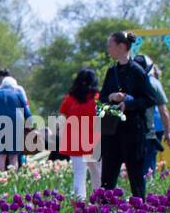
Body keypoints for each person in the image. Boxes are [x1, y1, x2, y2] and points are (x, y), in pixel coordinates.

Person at [99, 31, 159, 198]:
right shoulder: (112, 72)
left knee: (135, 174)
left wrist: (129, 104)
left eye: (110, 45)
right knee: (108, 174)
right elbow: (102, 97)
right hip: (112, 130)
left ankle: (140, 211)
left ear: (122, 46)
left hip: (133, 130)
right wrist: (111, 97)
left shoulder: (137, 71)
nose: (108, 49)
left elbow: (149, 99)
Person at [57, 68, 100, 200]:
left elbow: (62, 117)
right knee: (97, 173)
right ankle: (98, 202)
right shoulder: (97, 98)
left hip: (74, 140)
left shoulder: (70, 98)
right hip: (94, 139)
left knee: (79, 174)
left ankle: (80, 205)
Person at [135, 54, 170, 180]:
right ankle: (149, 188)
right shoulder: (154, 83)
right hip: (155, 127)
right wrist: (168, 133)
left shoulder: (130, 82)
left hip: (134, 127)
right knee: (149, 159)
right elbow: (163, 110)